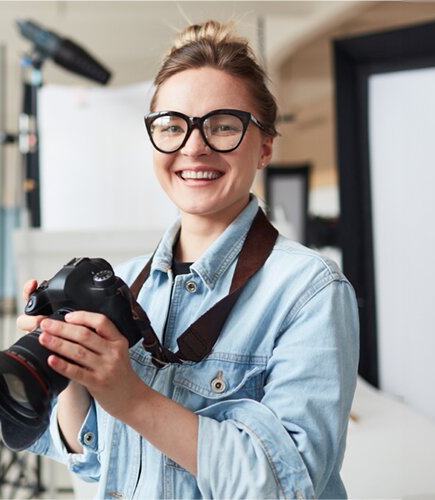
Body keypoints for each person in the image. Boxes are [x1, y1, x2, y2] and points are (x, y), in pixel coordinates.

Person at [20, 20, 359, 499]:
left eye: (222, 126)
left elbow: (288, 488)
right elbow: (96, 463)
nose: (193, 146)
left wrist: (131, 398)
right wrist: (69, 365)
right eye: (173, 126)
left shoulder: (310, 291)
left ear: (264, 146)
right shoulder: (123, 281)